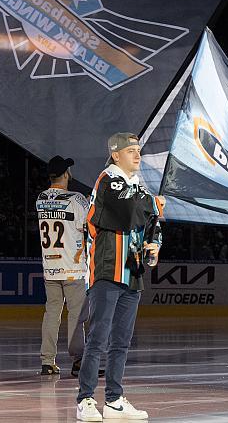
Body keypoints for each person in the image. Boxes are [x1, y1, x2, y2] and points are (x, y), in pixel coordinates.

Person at [76, 133, 163, 422]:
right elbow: (128, 210)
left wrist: (155, 244)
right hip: (107, 269)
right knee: (98, 338)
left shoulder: (137, 185)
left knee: (122, 340)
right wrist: (154, 202)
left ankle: (113, 399)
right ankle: (85, 399)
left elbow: (151, 221)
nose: (137, 155)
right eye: (130, 151)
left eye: (138, 150)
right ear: (116, 155)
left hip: (132, 270)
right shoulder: (108, 180)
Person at [36, 155, 89, 376]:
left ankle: (47, 361)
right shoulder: (76, 199)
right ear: (66, 174)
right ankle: (78, 362)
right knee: (77, 316)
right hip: (73, 268)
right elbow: (89, 223)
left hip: (51, 267)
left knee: (51, 314)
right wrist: (88, 201)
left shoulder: (40, 199)